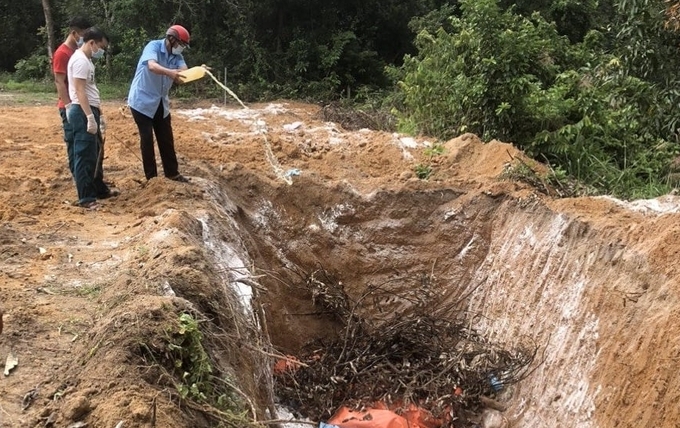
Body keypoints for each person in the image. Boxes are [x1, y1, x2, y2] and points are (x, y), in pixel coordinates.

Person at [127, 25, 192, 183]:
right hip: (142, 101)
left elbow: (184, 72)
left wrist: (198, 71)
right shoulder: (153, 46)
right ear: (171, 39)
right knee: (147, 138)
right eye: (181, 44)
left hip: (160, 103)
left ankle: (172, 173)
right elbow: (152, 66)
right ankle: (152, 178)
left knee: (166, 138)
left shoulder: (176, 57)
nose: (181, 48)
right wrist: (170, 72)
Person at [67, 27, 114, 209]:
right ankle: (86, 198)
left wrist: (97, 113)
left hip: (89, 110)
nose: (101, 51)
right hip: (81, 111)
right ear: (92, 43)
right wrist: (89, 117)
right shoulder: (80, 61)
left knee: (94, 153)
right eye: (101, 47)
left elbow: (89, 90)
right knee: (84, 155)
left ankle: (96, 190)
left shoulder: (86, 61)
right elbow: (79, 91)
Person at [52, 16, 91, 176]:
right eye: (83, 34)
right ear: (74, 33)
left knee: (86, 145)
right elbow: (59, 82)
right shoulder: (62, 53)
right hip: (71, 105)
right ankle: (79, 180)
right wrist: (68, 106)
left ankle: (87, 180)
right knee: (75, 145)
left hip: (80, 102)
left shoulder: (77, 52)